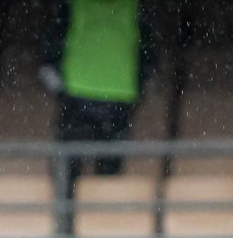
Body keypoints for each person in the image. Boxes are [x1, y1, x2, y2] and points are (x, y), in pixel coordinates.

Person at [39, 0, 156, 203]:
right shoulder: (133, 8)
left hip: (85, 92)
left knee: (71, 169)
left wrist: (58, 86)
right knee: (102, 172)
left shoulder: (74, 6)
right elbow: (149, 58)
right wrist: (140, 87)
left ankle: (72, 219)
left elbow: (50, 50)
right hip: (112, 94)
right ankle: (95, 219)